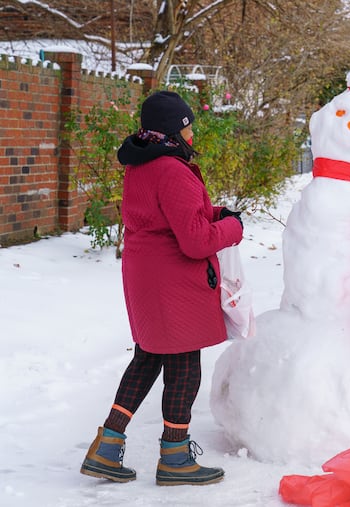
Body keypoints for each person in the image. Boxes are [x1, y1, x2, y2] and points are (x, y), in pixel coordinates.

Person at [80, 90, 244, 486]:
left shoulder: (144, 163)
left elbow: (168, 215)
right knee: (184, 365)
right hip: (174, 281)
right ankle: (175, 456)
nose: (192, 133)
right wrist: (232, 228)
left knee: (148, 357)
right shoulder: (171, 169)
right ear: (175, 129)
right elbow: (195, 241)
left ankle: (106, 445)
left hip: (148, 276)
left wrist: (214, 214)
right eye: (188, 126)